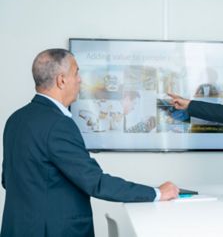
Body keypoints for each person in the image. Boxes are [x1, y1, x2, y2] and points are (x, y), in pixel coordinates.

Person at [1, 49, 179, 237]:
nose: (80, 80)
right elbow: (95, 182)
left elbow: (8, 180)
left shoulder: (15, 119)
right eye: (76, 72)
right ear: (61, 80)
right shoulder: (58, 124)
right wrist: (156, 193)